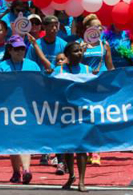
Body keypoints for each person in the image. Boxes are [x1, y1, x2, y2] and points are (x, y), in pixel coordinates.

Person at [0, 35, 39, 184]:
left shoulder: (33, 66)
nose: (20, 51)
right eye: (17, 49)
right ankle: (16, 172)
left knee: (25, 140)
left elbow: (40, 84)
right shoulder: (2, 67)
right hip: (9, 109)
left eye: (22, 48)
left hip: (27, 107)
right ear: (10, 50)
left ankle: (26, 170)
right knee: (12, 142)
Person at [51, 42, 90, 192]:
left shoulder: (87, 69)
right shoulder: (59, 70)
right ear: (67, 55)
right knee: (68, 147)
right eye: (75, 51)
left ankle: (81, 181)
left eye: (80, 51)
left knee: (81, 147)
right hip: (65, 113)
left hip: (81, 113)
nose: (79, 53)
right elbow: (51, 87)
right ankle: (71, 176)